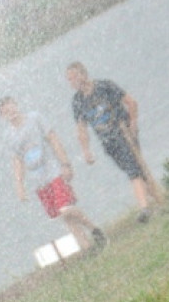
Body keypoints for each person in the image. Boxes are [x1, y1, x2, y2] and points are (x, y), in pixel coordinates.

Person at [0, 96, 106, 252]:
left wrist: (65, 164)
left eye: (11, 107)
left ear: (17, 105)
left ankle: (93, 228)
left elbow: (53, 140)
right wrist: (19, 185)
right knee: (63, 216)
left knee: (65, 209)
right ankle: (87, 247)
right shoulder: (9, 136)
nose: (10, 112)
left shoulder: (35, 118)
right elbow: (17, 161)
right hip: (38, 180)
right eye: (6, 111)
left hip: (53, 171)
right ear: (2, 116)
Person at [65, 61, 160, 222]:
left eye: (74, 77)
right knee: (136, 171)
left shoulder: (104, 86)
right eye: (69, 80)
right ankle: (158, 199)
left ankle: (144, 209)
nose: (72, 82)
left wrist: (133, 124)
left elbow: (131, 102)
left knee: (133, 171)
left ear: (83, 74)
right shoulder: (78, 101)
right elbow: (81, 129)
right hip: (108, 142)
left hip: (124, 134)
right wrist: (86, 151)